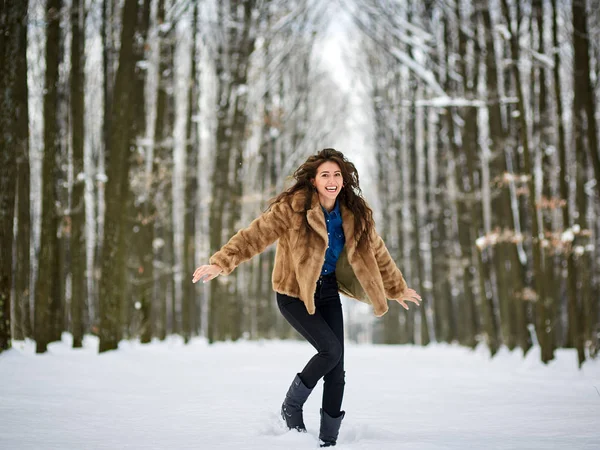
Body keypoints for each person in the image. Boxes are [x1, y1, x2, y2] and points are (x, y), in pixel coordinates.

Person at [192, 148, 421, 447]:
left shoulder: (355, 214)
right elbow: (255, 235)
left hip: (326, 292)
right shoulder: (294, 208)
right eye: (325, 174)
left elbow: (377, 251)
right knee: (330, 350)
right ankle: (292, 405)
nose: (332, 180)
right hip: (293, 293)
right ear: (313, 181)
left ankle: (329, 441)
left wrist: (395, 287)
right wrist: (221, 262)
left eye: (337, 174)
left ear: (343, 179)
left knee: (337, 370)